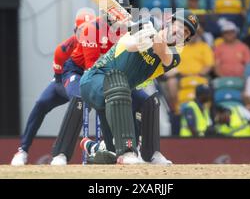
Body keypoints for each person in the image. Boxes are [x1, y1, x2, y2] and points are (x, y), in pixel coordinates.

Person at [11, 0, 130, 166]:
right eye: (81, 30)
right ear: (75, 31)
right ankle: (23, 150)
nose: (85, 34)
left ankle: (105, 147)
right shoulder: (63, 49)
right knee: (43, 103)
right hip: (65, 81)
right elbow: (59, 78)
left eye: (87, 29)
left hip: (92, 77)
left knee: (95, 99)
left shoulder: (104, 37)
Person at [79, 10, 199, 164]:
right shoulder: (143, 28)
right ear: (170, 22)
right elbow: (128, 46)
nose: (181, 31)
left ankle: (149, 154)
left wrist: (153, 36)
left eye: (186, 31)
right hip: (94, 80)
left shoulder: (175, 57)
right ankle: (128, 151)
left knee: (150, 100)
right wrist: (140, 34)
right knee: (120, 87)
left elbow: (164, 55)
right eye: (180, 25)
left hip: (116, 97)